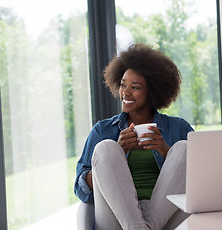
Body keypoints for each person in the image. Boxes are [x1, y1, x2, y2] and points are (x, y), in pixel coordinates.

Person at [74, 43, 194, 230]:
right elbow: (81, 191)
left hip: (165, 216)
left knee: (183, 148)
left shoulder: (178, 128)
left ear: (152, 91)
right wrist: (117, 153)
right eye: (123, 85)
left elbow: (202, 185)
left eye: (135, 87)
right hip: (115, 218)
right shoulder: (102, 130)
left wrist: (166, 152)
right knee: (106, 147)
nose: (126, 93)